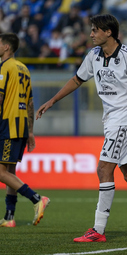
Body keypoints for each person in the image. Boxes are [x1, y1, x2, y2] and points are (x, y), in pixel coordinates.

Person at [36, 14, 127, 242]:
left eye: (95, 30)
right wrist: (52, 101)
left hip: (125, 120)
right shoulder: (93, 55)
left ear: (108, 32)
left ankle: (98, 229)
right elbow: (77, 80)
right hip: (111, 121)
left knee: (104, 169)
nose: (91, 34)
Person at [0, 33, 50, 228]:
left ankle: (37, 198)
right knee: (10, 171)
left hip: (8, 124)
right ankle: (9, 216)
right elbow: (30, 102)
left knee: (2, 172)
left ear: (6, 47)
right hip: (21, 125)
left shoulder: (5, 67)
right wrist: (30, 131)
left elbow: (0, 97)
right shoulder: (24, 68)